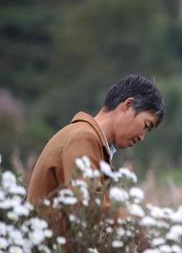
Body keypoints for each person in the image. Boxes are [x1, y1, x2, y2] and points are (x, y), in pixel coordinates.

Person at [27, 75, 164, 203]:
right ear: (128, 105)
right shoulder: (83, 138)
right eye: (146, 125)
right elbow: (89, 208)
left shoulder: (89, 140)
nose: (142, 137)